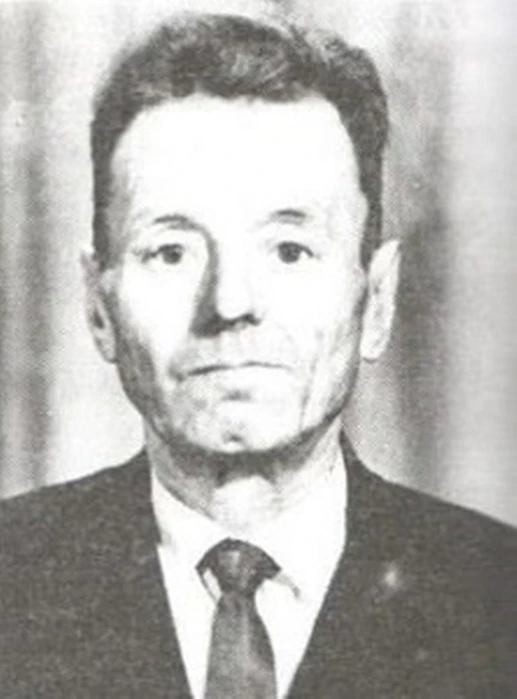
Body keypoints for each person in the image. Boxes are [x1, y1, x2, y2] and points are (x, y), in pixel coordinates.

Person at [0, 7, 515, 698]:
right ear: (98, 305)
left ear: (377, 300)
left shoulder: (498, 600)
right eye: (171, 251)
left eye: (290, 250)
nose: (231, 301)